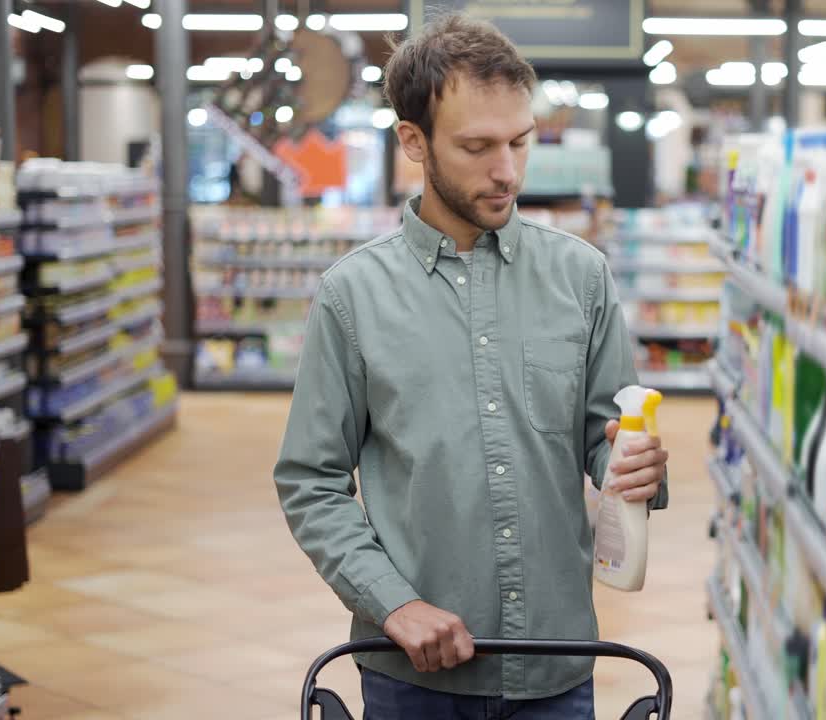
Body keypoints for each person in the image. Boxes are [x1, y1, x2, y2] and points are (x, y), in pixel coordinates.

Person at [274, 13, 669, 720]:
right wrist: (392, 603)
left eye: (521, 141)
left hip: (556, 663)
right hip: (410, 676)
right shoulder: (351, 297)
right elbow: (311, 481)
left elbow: (606, 444)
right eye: (477, 147)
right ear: (413, 141)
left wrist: (632, 473)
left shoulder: (582, 277)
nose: (507, 171)